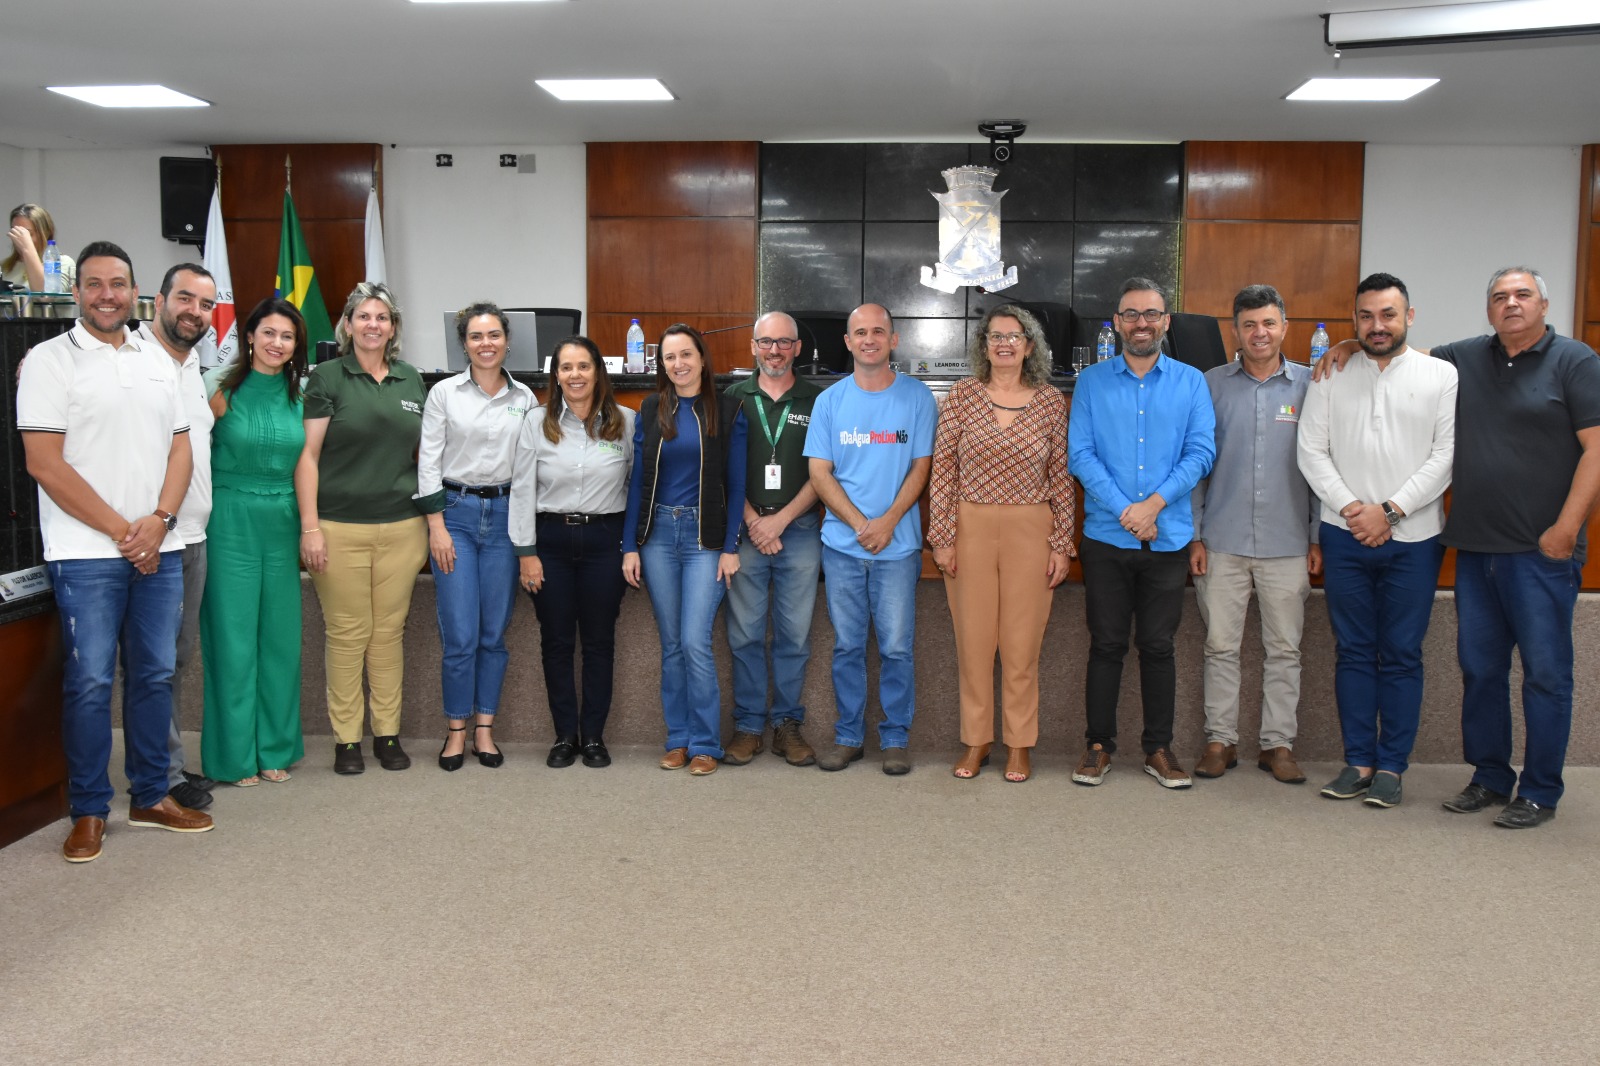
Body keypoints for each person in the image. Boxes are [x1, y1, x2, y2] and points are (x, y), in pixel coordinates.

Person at [1320, 268, 1600, 827]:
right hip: (1474, 548)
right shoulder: (1464, 357)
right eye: (1500, 297)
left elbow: (1596, 449)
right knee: (1481, 669)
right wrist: (1351, 342)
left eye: (1523, 295)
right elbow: (1396, 350)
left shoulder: (1576, 361)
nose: (1511, 304)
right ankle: (1490, 777)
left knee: (1546, 674)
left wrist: (1566, 529)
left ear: (1544, 304)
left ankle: (1540, 790)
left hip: (1542, 550)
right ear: (1488, 308)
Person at [17, 241, 211, 862]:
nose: (107, 294)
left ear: (136, 293)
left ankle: (152, 794)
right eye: (95, 284)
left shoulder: (159, 362)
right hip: (86, 552)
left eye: (118, 284)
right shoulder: (49, 362)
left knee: (155, 674)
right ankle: (90, 810)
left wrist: (158, 521)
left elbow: (181, 448)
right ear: (77, 292)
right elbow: (44, 463)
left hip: (161, 545)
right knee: (92, 681)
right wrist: (127, 533)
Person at [1297, 272, 1456, 810]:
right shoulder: (1330, 372)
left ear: (1409, 316)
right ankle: (1358, 761)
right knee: (1355, 652)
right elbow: (1310, 451)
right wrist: (1352, 510)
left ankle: (1392, 767)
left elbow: (1445, 457)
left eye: (1388, 314)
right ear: (1355, 320)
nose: (1377, 325)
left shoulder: (1442, 375)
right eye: (1365, 316)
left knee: (1403, 654)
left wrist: (1388, 511)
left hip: (1415, 539)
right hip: (1344, 537)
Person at [1067, 277, 1215, 791]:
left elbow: (1200, 453)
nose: (1141, 323)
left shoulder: (1192, 382)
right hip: (1108, 537)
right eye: (1130, 314)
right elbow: (1081, 456)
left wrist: (1151, 506)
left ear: (1165, 321)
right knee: (1106, 645)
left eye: (1151, 314)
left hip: (1168, 537)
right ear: (1117, 323)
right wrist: (1127, 511)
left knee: (1158, 647)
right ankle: (1098, 746)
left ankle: (1159, 748)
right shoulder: (1090, 383)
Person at [928, 305, 1073, 784]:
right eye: (995, 337)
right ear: (983, 346)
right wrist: (943, 538)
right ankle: (977, 741)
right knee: (973, 643)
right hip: (969, 528)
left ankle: (1018, 745)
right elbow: (943, 471)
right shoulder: (962, 396)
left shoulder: (1051, 402)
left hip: (1031, 530)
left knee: (1020, 644)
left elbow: (1062, 478)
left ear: (1030, 346)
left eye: (1014, 337)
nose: (1004, 344)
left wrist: (1061, 543)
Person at [1189, 285, 1320, 786]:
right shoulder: (1211, 385)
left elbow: (1319, 469)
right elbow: (1197, 466)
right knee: (1220, 647)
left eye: (1268, 323)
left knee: (1284, 649)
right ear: (1236, 331)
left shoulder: (1312, 386)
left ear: (1285, 327)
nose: (1259, 333)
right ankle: (1219, 741)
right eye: (1249, 324)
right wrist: (1196, 537)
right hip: (1221, 540)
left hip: (1288, 544)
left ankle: (1278, 745)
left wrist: (1314, 538)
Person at [297, 282, 429, 775]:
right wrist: (310, 528)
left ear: (393, 328)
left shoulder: (412, 380)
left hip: (402, 528)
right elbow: (308, 457)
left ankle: (387, 734)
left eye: (382, 317)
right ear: (348, 325)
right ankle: (347, 740)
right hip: (338, 527)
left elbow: (423, 457)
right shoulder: (327, 377)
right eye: (364, 316)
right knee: (348, 634)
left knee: (387, 634)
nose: (373, 325)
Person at [803, 303, 938, 775]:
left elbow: (922, 467)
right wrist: (862, 524)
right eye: (860, 332)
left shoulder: (918, 398)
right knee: (847, 645)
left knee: (897, 646)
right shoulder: (829, 402)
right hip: (842, 547)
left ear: (893, 340)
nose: (869, 339)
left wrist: (886, 523)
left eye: (878, 331)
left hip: (897, 547)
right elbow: (819, 472)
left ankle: (896, 738)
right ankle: (848, 736)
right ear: (847, 341)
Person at [622, 324, 747, 776]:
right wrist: (629, 546)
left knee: (695, 642)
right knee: (672, 645)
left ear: (701, 357)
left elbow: (736, 485)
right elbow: (637, 481)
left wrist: (730, 546)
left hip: (703, 540)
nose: (678, 364)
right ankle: (677, 739)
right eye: (670, 358)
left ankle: (705, 744)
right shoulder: (653, 407)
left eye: (686, 355)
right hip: (657, 538)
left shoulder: (729, 410)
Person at [416, 303, 533, 771]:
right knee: (460, 634)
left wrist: (526, 540)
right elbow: (427, 460)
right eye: (476, 337)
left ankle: (484, 729)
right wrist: (436, 525)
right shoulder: (444, 393)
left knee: (492, 633)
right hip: (456, 517)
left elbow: (527, 474)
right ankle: (455, 730)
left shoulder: (525, 398)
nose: (486, 344)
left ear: (507, 340)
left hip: (505, 519)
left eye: (494, 335)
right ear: (463, 343)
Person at [199, 298, 308, 786]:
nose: (276, 343)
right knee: (232, 638)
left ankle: (275, 750)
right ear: (248, 336)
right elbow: (189, 454)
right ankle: (234, 755)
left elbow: (307, 463)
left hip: (281, 521)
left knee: (280, 639)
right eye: (268, 333)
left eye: (286, 336)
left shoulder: (300, 393)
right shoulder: (217, 386)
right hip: (229, 520)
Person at [511, 336, 634, 769]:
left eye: (584, 366)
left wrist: (631, 548)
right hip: (551, 543)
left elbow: (637, 491)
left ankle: (594, 737)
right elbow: (522, 489)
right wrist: (526, 552)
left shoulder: (627, 422)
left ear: (599, 371)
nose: (575, 375)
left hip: (606, 542)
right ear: (556, 376)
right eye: (566, 367)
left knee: (600, 643)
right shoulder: (535, 423)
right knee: (557, 642)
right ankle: (565, 735)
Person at [721, 311, 824, 768]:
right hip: (743, 530)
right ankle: (747, 727)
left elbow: (825, 472)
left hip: (798, 531)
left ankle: (786, 725)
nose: (776, 350)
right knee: (743, 634)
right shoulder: (732, 397)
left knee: (794, 636)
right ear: (753, 347)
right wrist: (753, 520)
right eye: (767, 342)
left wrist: (779, 520)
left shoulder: (819, 400)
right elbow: (720, 469)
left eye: (785, 342)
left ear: (798, 348)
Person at [135, 264, 220, 809]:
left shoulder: (192, 368)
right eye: (184, 298)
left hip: (194, 535)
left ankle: (164, 763)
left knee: (178, 658)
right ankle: (157, 778)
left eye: (205, 304)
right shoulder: (131, 357)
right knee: (152, 662)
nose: (194, 311)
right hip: (152, 539)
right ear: (160, 299)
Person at [4, 203, 76, 291]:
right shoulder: (5, 267)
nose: (19, 239)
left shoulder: (63, 263)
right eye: (16, 233)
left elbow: (46, 296)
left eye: (28, 234)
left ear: (45, 233)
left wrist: (27, 249)